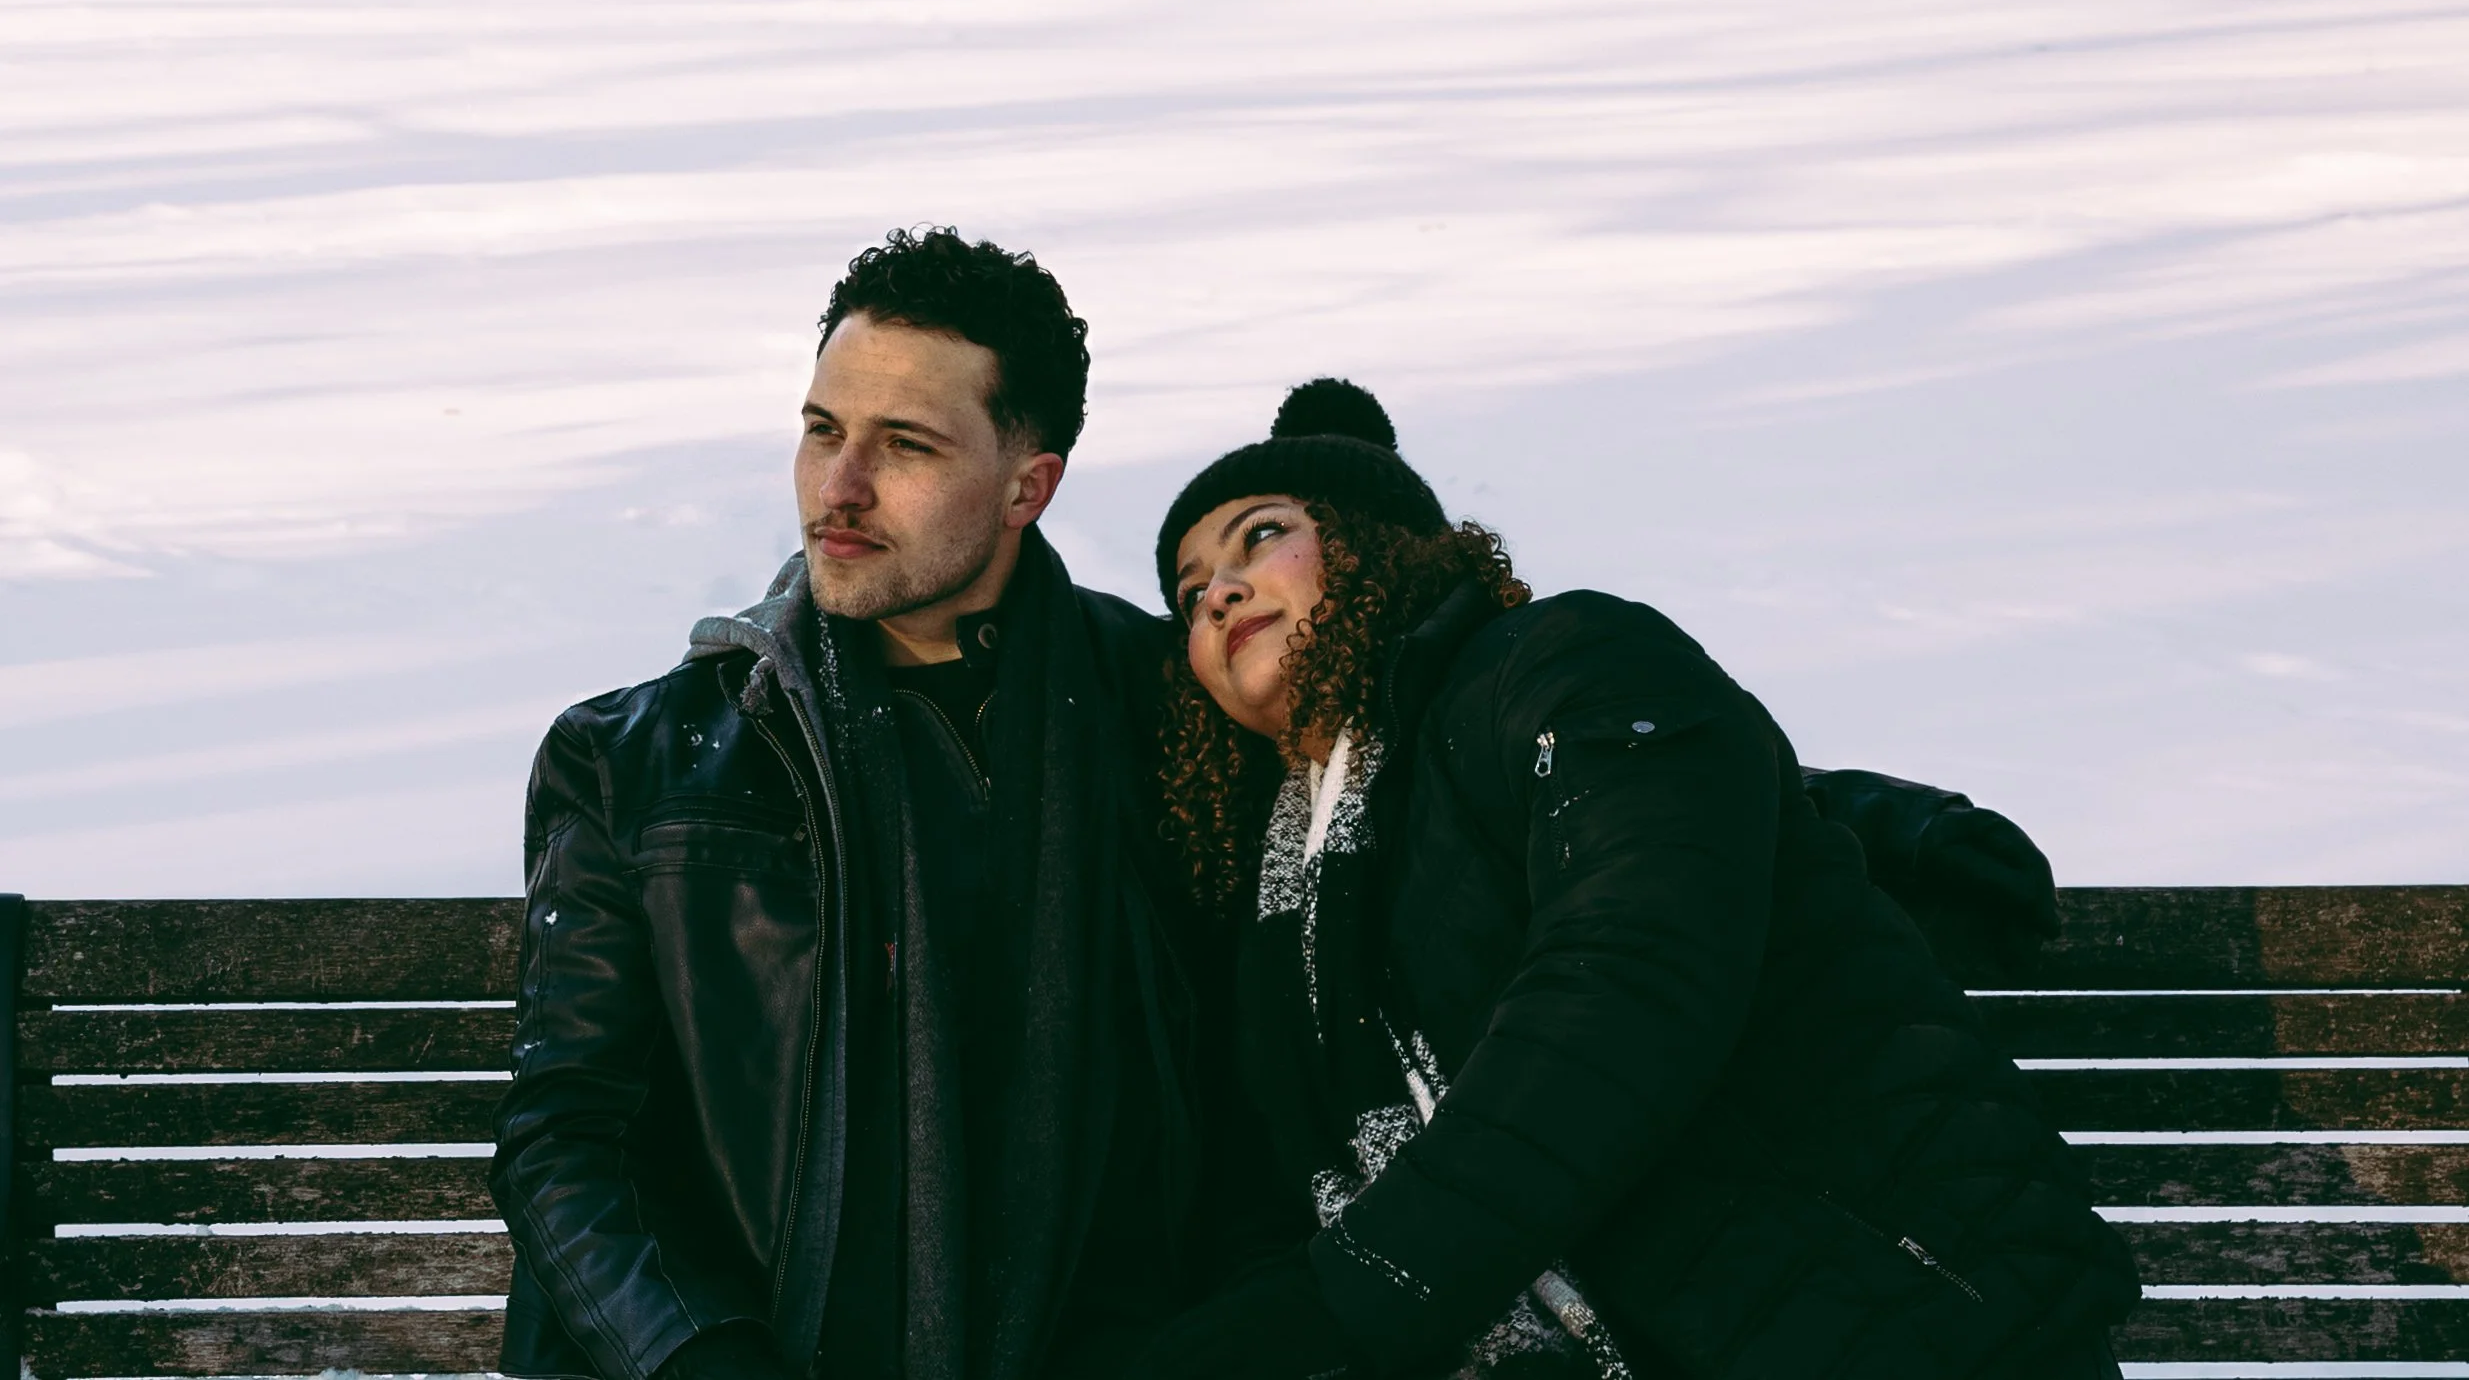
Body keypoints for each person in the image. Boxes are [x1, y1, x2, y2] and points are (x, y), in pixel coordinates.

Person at [1134, 379, 2141, 1378]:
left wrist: (1358, 1287)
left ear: (1379, 540)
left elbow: (1629, 973)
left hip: (1895, 1319)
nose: (1218, 592)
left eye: (1261, 535)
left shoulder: (1564, 657)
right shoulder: (1285, 901)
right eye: (1188, 592)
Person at [491, 227, 1201, 1380]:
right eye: (822, 430)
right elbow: (568, 1140)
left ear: (1029, 484)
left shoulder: (1165, 720)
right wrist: (700, 1360)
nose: (840, 488)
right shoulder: (640, 758)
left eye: (905, 446)